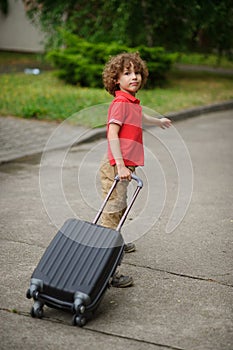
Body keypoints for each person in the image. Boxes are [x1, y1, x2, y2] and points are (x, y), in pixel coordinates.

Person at [100, 52, 171, 288]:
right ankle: (105, 270)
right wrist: (120, 165)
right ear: (116, 80)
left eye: (137, 72)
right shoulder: (120, 103)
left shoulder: (131, 103)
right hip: (116, 166)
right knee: (111, 215)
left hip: (123, 167)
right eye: (127, 73)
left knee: (120, 208)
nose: (135, 77)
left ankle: (115, 241)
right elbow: (112, 133)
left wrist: (158, 122)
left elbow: (141, 117)